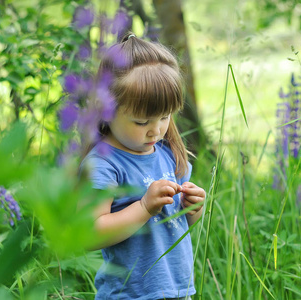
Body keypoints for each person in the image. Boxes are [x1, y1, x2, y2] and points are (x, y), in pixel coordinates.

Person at [80, 32, 206, 300]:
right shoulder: (104, 164)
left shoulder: (168, 155)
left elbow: (179, 225)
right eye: (141, 122)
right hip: (130, 294)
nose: (156, 131)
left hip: (178, 290)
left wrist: (193, 209)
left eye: (164, 117)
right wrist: (144, 207)